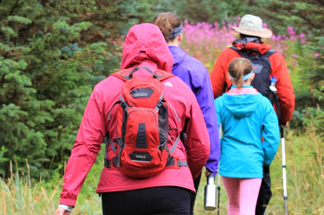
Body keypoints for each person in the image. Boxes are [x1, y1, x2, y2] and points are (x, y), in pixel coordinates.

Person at [55, 23, 210, 215]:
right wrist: (184, 174)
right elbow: (201, 146)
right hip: (172, 189)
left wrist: (67, 199)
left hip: (119, 191)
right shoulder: (179, 88)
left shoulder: (105, 88)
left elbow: (86, 145)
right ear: (162, 49)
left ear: (127, 49)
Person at [210, 14, 295, 214]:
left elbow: (213, 90)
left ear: (240, 32)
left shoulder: (227, 56)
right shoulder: (274, 58)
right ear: (260, 36)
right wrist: (283, 120)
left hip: (231, 147)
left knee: (234, 203)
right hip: (260, 138)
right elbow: (286, 96)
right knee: (260, 184)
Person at [153, 12, 220, 215]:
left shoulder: (143, 67)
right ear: (180, 36)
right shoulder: (195, 69)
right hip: (185, 156)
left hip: (145, 148)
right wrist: (212, 161)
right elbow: (208, 117)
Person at [215, 57, 280, 215]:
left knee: (234, 206)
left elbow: (212, 134)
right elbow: (272, 137)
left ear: (229, 77)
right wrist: (264, 158)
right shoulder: (263, 104)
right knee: (248, 209)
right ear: (252, 76)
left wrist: (219, 152)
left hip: (229, 160)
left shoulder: (220, 103)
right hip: (252, 161)